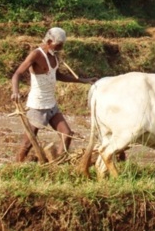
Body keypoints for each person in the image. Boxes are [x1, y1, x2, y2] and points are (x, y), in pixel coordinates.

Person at [10, 27, 97, 162]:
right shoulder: (36, 54)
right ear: (50, 41)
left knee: (67, 134)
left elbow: (57, 75)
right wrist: (15, 92)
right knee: (28, 143)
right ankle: (17, 166)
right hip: (37, 105)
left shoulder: (53, 56)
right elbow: (17, 74)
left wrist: (83, 80)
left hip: (51, 104)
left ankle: (57, 163)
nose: (60, 48)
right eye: (59, 45)